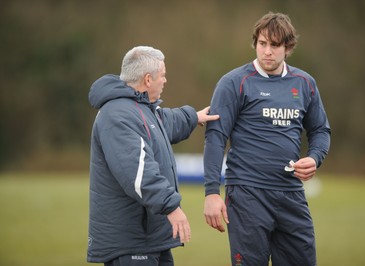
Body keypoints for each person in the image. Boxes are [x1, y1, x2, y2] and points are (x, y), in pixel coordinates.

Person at [203, 12, 331, 266]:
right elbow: (216, 137)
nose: (268, 52)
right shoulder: (234, 82)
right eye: (263, 44)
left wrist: (314, 158)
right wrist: (211, 192)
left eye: (275, 45)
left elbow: (320, 131)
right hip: (247, 195)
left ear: (288, 47)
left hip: (291, 194)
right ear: (256, 44)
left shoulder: (305, 83)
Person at [87, 46, 219, 266]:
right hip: (131, 243)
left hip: (151, 239)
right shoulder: (118, 115)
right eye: (163, 75)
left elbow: (164, 122)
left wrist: (194, 117)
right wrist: (171, 207)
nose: (165, 80)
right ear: (148, 79)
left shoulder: (140, 108)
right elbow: (138, 173)